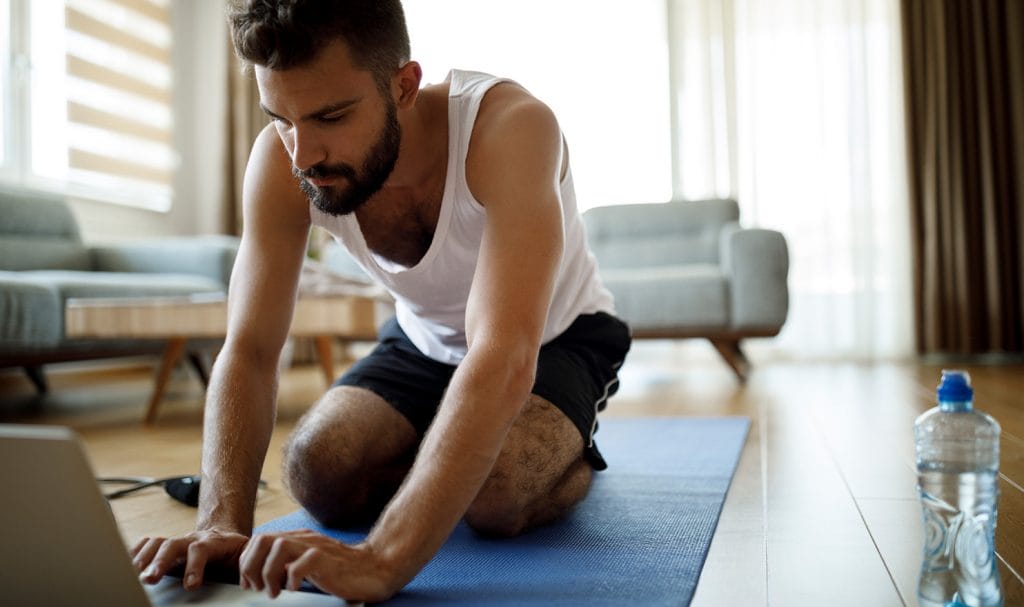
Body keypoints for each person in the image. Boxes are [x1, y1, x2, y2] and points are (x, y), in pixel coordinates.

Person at [131, 0, 631, 602]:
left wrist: (385, 557)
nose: (302, 155)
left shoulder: (511, 128)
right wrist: (221, 523)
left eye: (331, 116)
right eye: (281, 119)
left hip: (554, 337)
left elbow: (503, 354)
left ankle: (565, 451)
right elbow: (252, 347)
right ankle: (447, 447)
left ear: (403, 85)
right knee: (318, 470)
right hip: (422, 339)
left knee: (496, 495)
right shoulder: (281, 161)